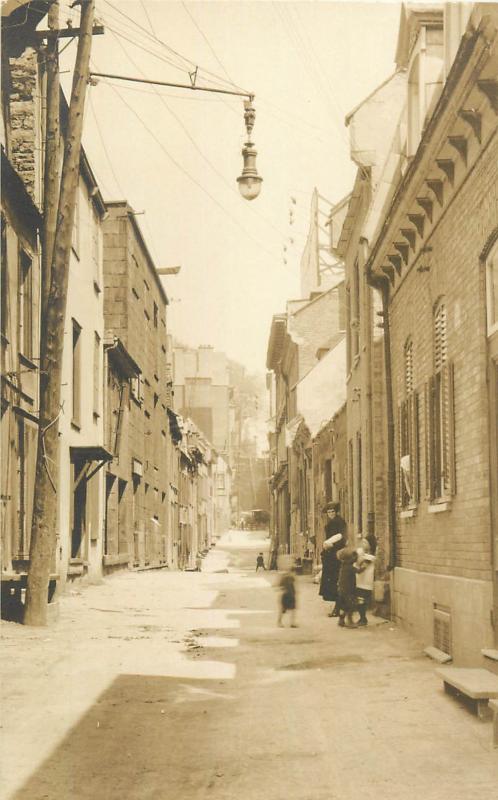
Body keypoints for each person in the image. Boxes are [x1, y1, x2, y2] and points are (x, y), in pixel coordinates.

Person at [318, 502, 346, 616]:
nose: (331, 514)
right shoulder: (331, 522)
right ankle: (338, 607)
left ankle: (338, 609)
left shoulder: (339, 522)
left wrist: (332, 546)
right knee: (332, 582)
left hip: (335, 555)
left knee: (335, 581)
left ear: (336, 512)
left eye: (333, 512)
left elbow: (342, 539)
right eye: (329, 512)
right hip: (330, 556)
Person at [354, 539, 376, 626]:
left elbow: (360, 569)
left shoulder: (369, 558)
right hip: (361, 582)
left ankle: (363, 619)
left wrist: (355, 566)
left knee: (361, 601)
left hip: (365, 583)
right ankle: (362, 618)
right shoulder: (364, 557)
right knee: (360, 600)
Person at [336, 546, 358, 628]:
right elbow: (359, 571)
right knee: (350, 607)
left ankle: (341, 620)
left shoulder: (343, 567)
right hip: (349, 590)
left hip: (342, 590)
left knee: (344, 606)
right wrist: (364, 566)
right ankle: (350, 622)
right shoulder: (350, 568)